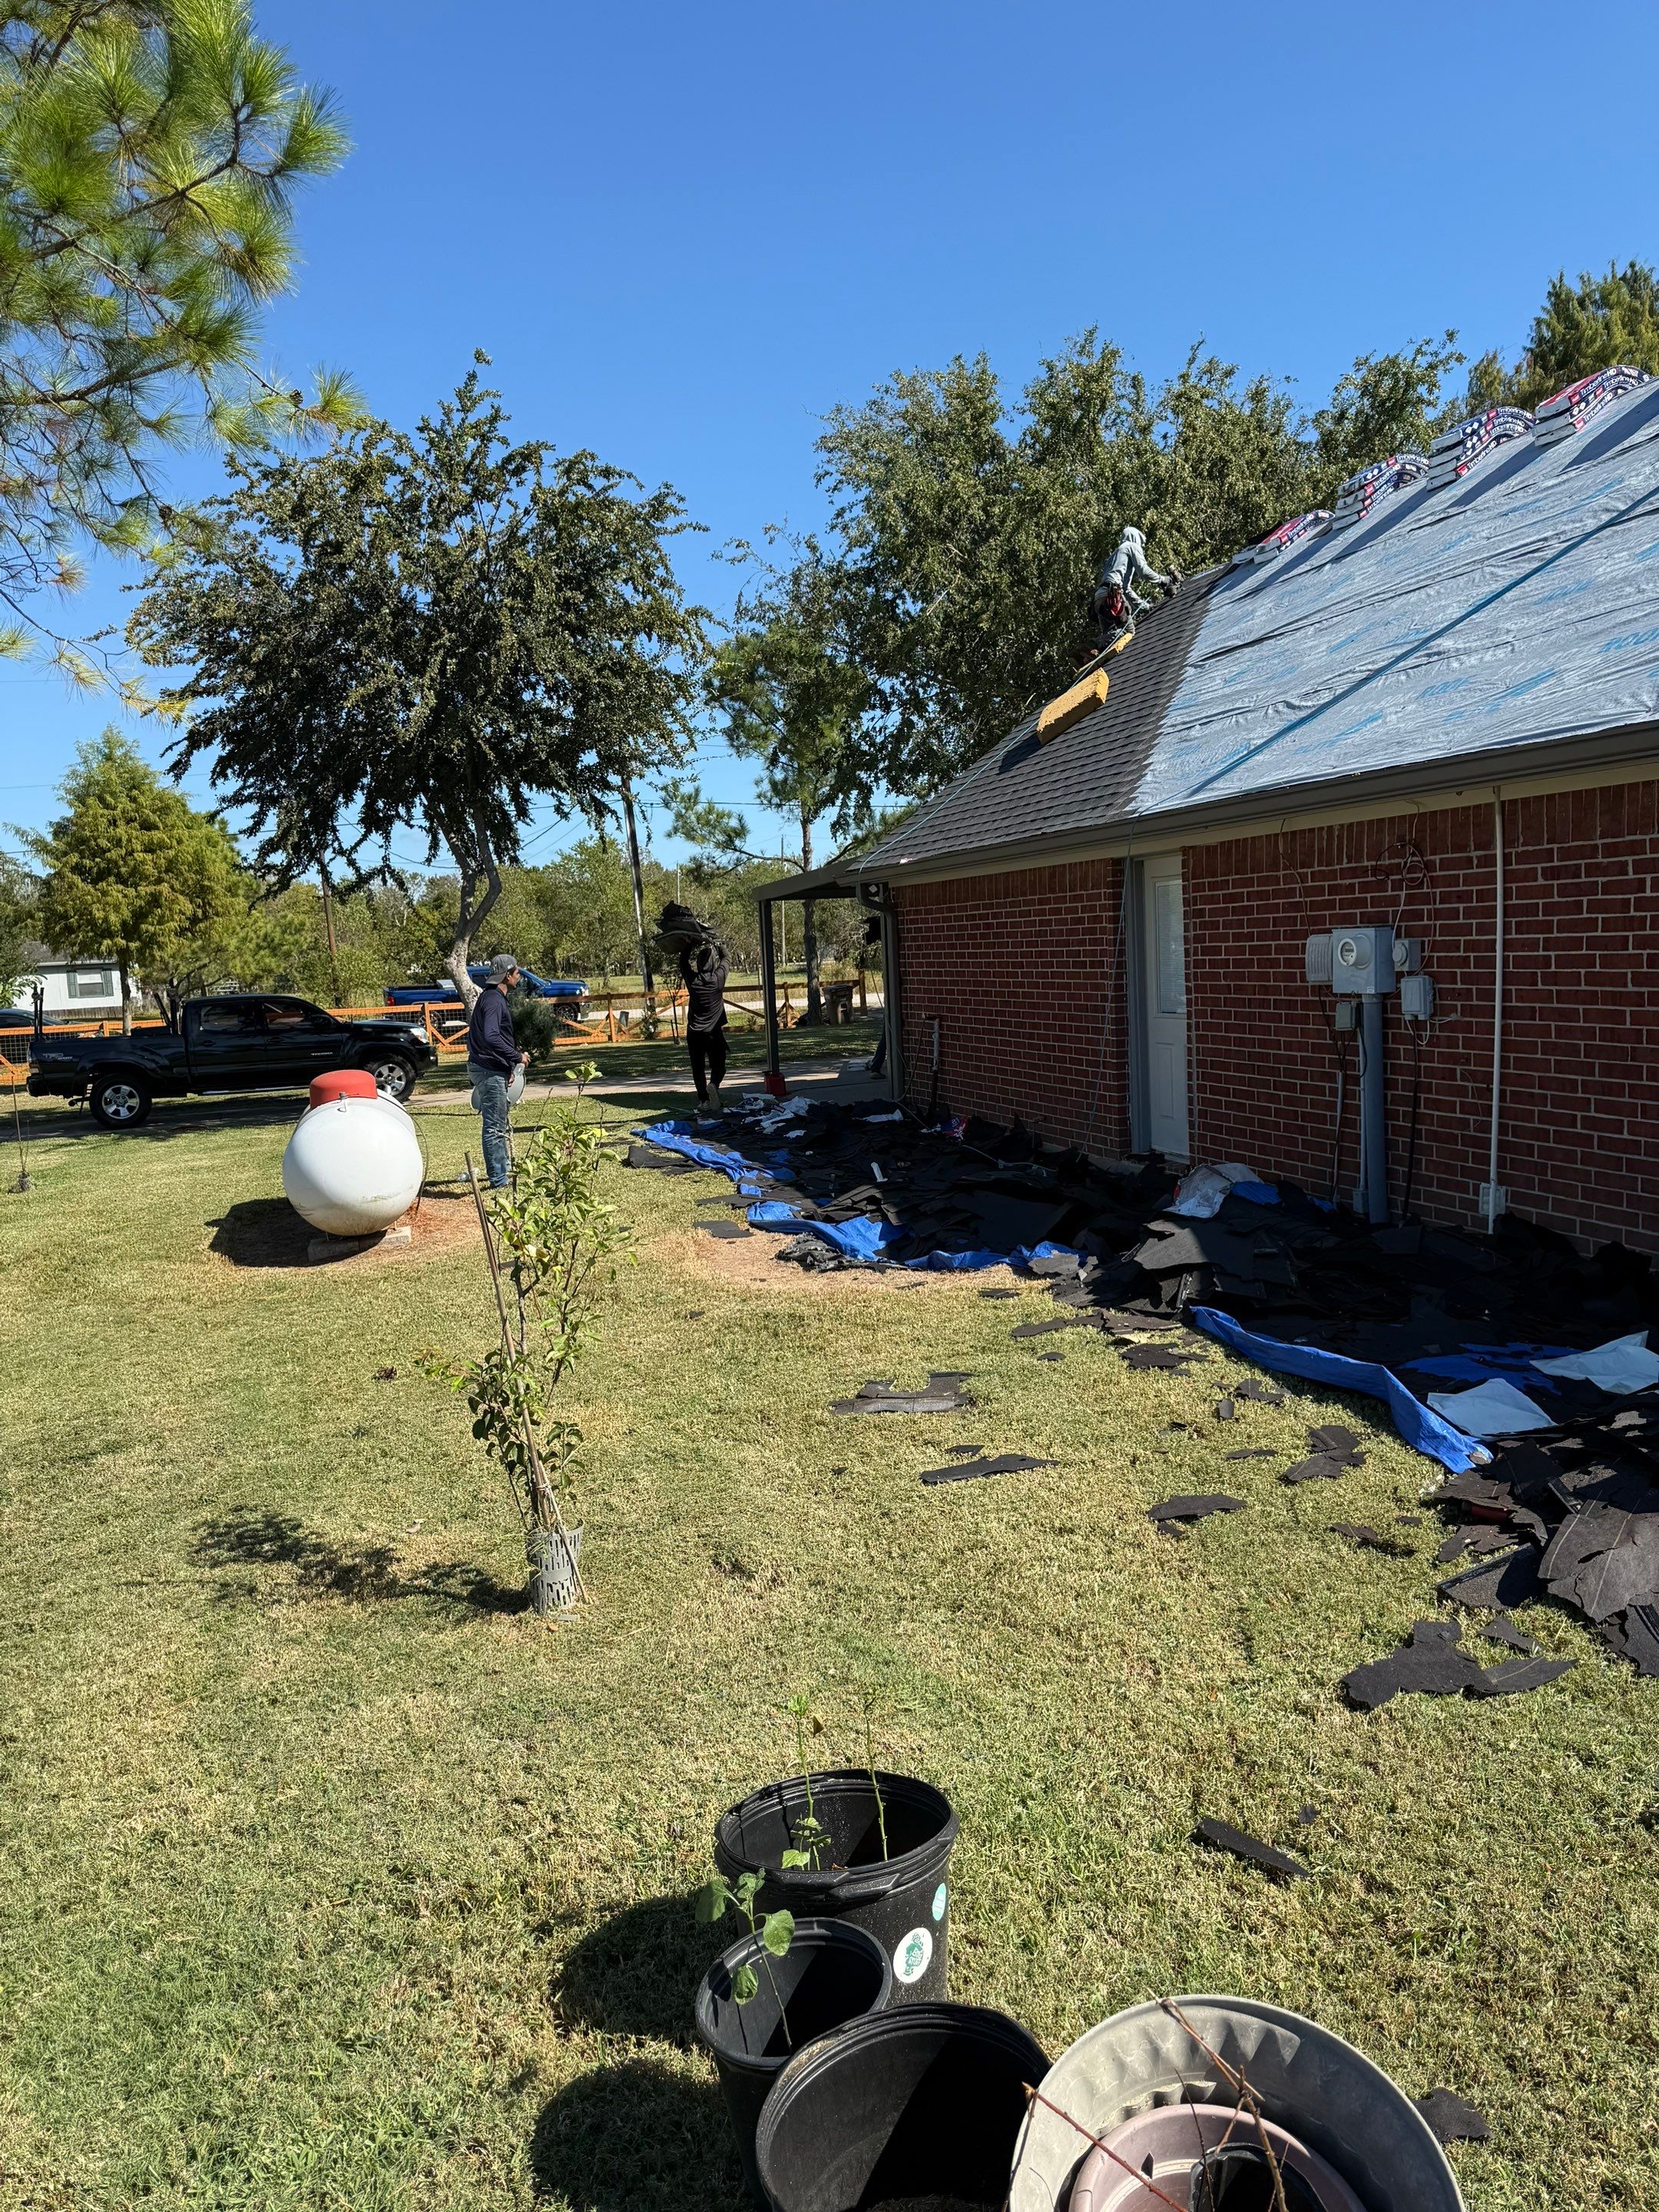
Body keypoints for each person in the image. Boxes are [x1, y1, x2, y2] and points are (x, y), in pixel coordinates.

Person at [466, 953, 529, 1188]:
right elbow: (491, 1035)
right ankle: (499, 1180)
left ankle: (502, 1174)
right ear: (507, 975)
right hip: (488, 1070)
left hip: (491, 1067)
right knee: (494, 1126)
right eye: (516, 972)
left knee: (498, 1123)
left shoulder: (491, 998)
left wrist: (507, 1066)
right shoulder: (493, 999)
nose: (519, 975)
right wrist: (516, 1057)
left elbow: (491, 1037)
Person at [1089, 525, 1174, 648]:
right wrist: (1162, 580)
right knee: (1128, 632)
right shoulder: (1131, 546)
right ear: (1135, 538)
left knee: (1108, 640)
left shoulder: (1115, 554)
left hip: (1099, 598)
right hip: (1112, 596)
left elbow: (1126, 589)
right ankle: (1095, 645)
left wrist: (1145, 607)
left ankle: (1092, 649)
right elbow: (1144, 572)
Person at [678, 939, 728, 1112]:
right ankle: (714, 1084)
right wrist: (718, 945)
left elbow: (683, 963)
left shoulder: (693, 981)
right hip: (713, 1032)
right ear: (713, 964)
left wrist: (690, 943)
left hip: (694, 1034)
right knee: (719, 1064)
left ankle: (704, 1101)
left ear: (698, 965)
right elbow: (726, 957)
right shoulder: (718, 979)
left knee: (698, 1068)